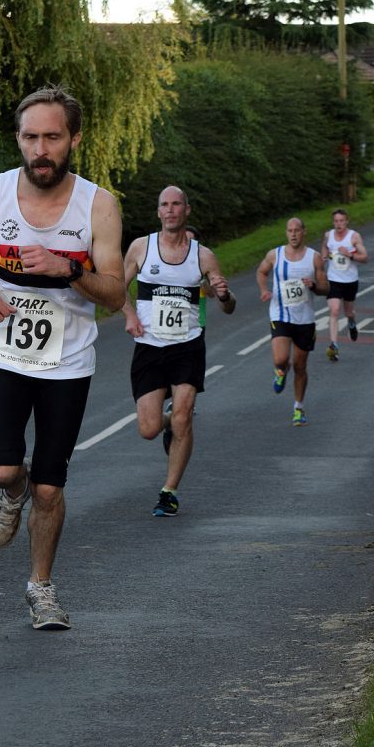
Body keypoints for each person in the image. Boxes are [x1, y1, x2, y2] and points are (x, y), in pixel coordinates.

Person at [0, 85, 125, 630]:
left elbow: (116, 294)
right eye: (31, 137)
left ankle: (41, 589)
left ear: (73, 139)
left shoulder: (97, 205)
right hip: (4, 350)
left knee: (52, 485)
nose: (41, 149)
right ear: (19, 139)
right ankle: (12, 492)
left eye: (53, 137)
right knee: (3, 467)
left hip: (67, 362)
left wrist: (68, 269)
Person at [122, 186, 235, 517]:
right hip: (149, 347)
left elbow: (227, 305)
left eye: (176, 205)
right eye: (164, 205)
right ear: (158, 212)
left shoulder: (204, 256)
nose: (170, 210)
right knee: (148, 429)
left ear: (187, 210)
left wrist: (224, 296)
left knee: (185, 415)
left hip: (187, 345)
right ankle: (168, 421)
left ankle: (168, 491)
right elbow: (117, 287)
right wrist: (130, 315)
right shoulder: (141, 248)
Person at [257, 218, 329, 425]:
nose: (294, 234)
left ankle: (299, 408)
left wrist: (314, 286)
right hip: (280, 314)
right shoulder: (275, 255)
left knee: (300, 365)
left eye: (297, 230)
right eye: (290, 230)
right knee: (280, 359)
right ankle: (280, 371)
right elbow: (261, 272)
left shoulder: (314, 258)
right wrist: (264, 290)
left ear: (304, 232)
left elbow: (326, 288)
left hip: (305, 319)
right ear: (286, 233)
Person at [321, 208, 367, 361]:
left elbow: (365, 257)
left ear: (347, 221)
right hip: (333, 280)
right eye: (336, 221)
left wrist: (350, 254)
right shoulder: (328, 235)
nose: (338, 224)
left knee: (348, 312)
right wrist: (324, 256)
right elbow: (324, 247)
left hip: (350, 281)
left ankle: (352, 323)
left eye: (341, 221)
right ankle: (334, 345)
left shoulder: (354, 237)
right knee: (334, 310)